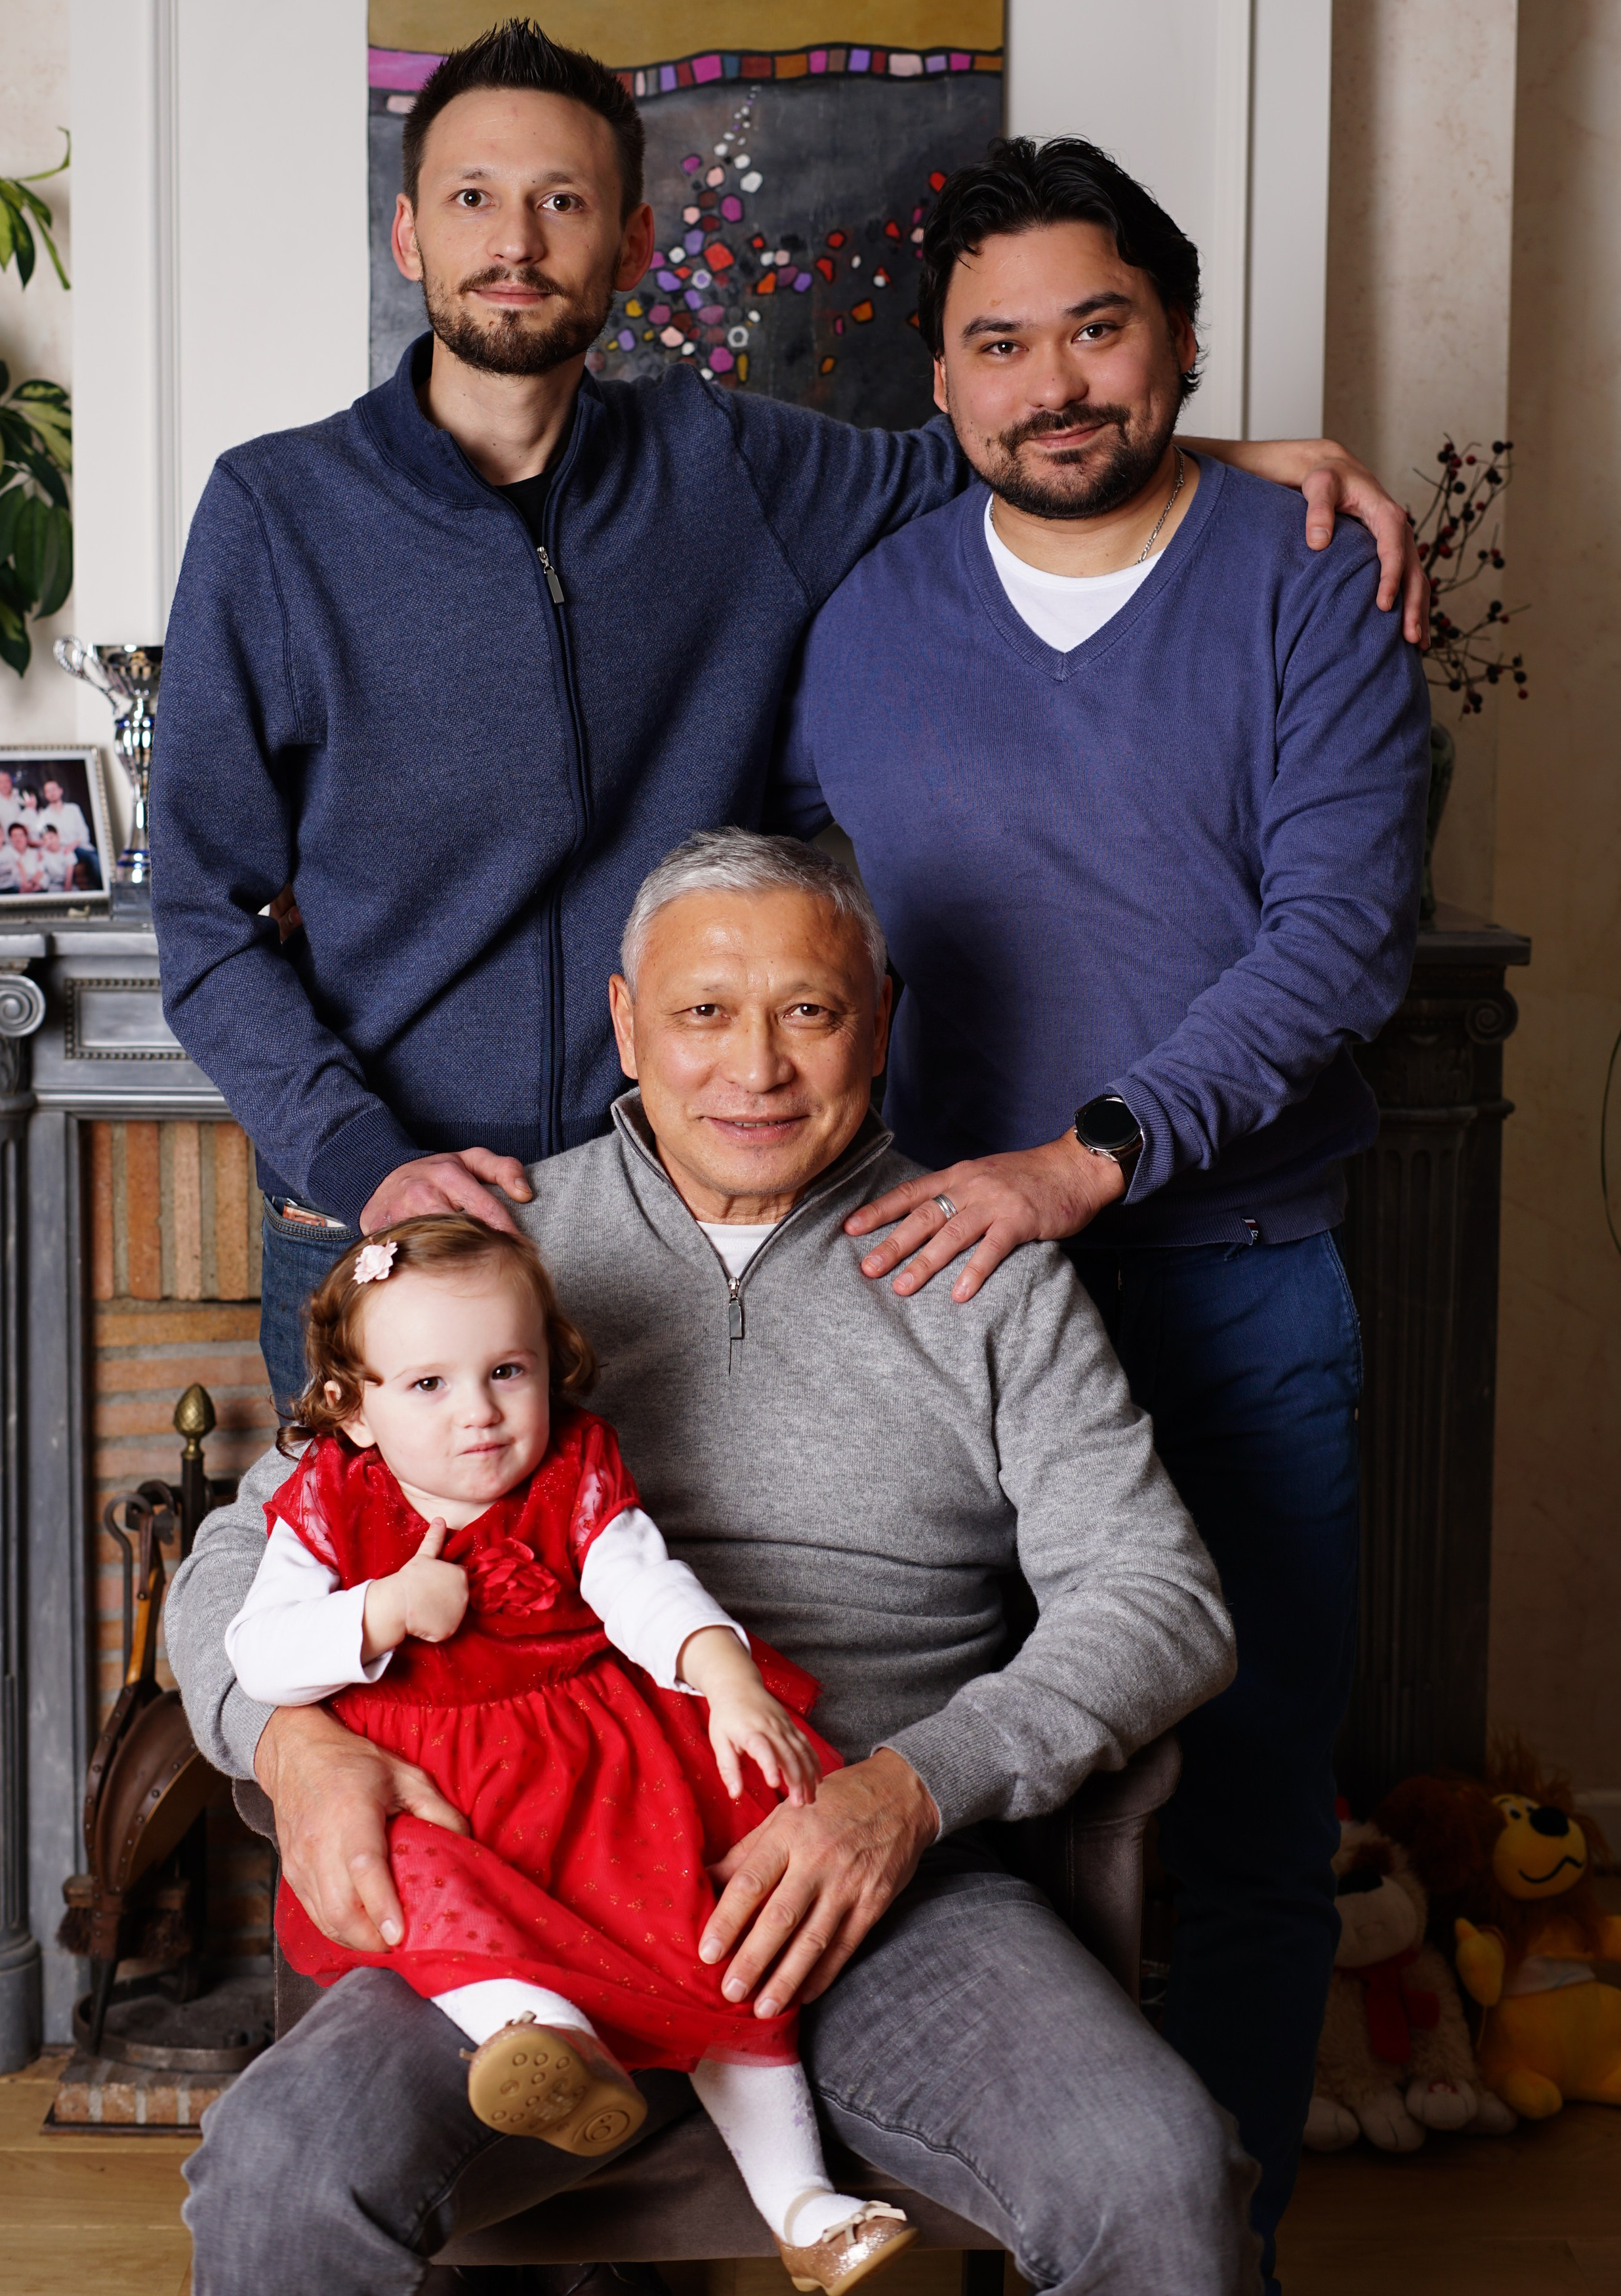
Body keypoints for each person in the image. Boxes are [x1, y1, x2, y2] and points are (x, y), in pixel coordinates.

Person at [148, 18, 1427, 1424]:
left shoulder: (729, 464)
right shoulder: (274, 515)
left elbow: (1016, 434)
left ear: (630, 243)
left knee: (675, 1634)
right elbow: (202, 921)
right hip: (382, 1227)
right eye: (471, 198)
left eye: (561, 200)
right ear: (406, 234)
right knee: (387, 1629)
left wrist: (1227, 462)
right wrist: (359, 1157)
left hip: (670, 1217)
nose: (515, 239)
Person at [167, 831, 1252, 2295]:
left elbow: (1159, 1601)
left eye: (807, 1010)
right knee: (279, 2175)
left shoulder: (987, 1276)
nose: (756, 1069)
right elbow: (238, 1562)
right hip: (513, 1887)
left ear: (880, 1017)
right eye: (702, 1014)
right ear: (624, 1022)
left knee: (1152, 2171)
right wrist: (293, 1749)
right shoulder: (492, 1261)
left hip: (869, 1878)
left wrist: (910, 1792)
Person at [769, 137, 1430, 2287]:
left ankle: (1201, 2241)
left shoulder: (1307, 576)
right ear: (939, 392)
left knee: (1245, 1809)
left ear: (1183, 341)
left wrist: (1094, 1152)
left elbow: (1338, 938)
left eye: (1099, 327)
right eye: (1000, 344)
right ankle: (985, 2218)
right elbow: (821, 947)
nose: (1055, 382)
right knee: (961, 1794)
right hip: (936, 1320)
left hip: (1235, 1286)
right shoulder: (863, 619)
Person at [228, 1210, 916, 2295]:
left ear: (553, 1365)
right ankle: (537, 2034)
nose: (481, 1415)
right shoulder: (326, 1501)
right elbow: (259, 1656)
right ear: (351, 1411)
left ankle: (804, 2204)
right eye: (429, 1387)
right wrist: (379, 1611)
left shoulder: (574, 1474)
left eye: (509, 1370)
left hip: (591, 1775)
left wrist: (724, 1676)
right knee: (416, 1880)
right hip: (445, 1800)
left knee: (722, 1955)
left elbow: (644, 1588)